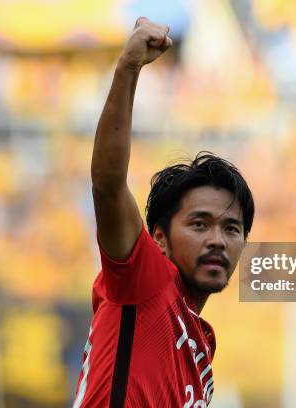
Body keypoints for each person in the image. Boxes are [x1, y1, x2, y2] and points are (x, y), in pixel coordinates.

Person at [72, 17, 254, 408]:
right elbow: (107, 184)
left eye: (232, 229)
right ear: (158, 240)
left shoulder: (200, 347)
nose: (217, 240)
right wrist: (129, 67)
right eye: (199, 224)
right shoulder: (146, 281)